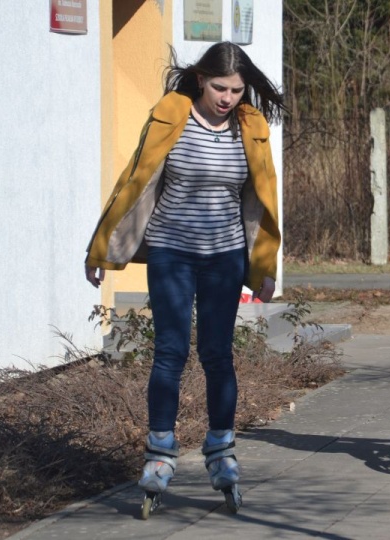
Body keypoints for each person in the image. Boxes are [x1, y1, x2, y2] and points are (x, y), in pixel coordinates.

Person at [83, 42, 286, 500]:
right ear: (200, 79)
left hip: (225, 257)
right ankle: (159, 451)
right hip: (171, 252)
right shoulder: (171, 114)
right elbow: (134, 180)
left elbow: (263, 198)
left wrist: (264, 267)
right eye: (219, 87)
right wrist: (100, 250)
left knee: (217, 355)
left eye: (236, 89)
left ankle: (221, 448)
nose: (227, 98)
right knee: (170, 353)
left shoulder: (250, 126)